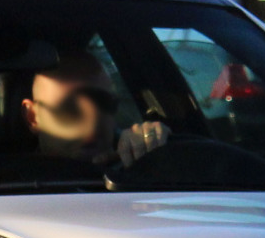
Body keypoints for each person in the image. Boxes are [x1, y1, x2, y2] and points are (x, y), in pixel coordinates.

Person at [23, 53, 170, 168]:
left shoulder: (134, 156)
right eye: (69, 107)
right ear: (32, 117)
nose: (92, 120)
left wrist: (154, 145)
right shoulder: (8, 182)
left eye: (104, 103)